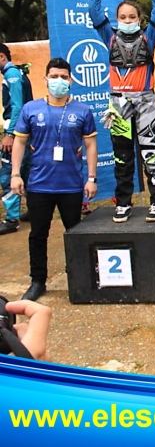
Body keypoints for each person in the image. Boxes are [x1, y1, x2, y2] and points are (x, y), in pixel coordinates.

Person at [10, 58, 98, 302]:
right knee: (38, 234)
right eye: (54, 76)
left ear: (70, 81)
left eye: (63, 77)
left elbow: (91, 145)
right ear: (45, 79)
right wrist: (15, 174)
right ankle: (38, 280)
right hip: (39, 185)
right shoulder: (31, 109)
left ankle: (77, 277)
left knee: (74, 234)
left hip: (71, 186)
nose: (59, 81)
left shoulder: (82, 111)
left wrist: (91, 178)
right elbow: (19, 142)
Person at [89, 0, 155, 223]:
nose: (128, 20)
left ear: (139, 19)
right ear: (117, 19)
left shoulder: (148, 37)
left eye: (132, 17)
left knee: (150, 152)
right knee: (122, 156)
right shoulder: (110, 37)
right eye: (123, 17)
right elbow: (93, 11)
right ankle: (123, 203)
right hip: (119, 103)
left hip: (145, 102)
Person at [0, 43, 30, 234]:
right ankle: (34, 210)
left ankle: (11, 219)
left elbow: (17, 106)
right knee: (27, 172)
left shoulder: (11, 75)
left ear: (2, 57)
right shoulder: (16, 72)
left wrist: (10, 134)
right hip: (25, 131)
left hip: (18, 132)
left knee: (9, 173)